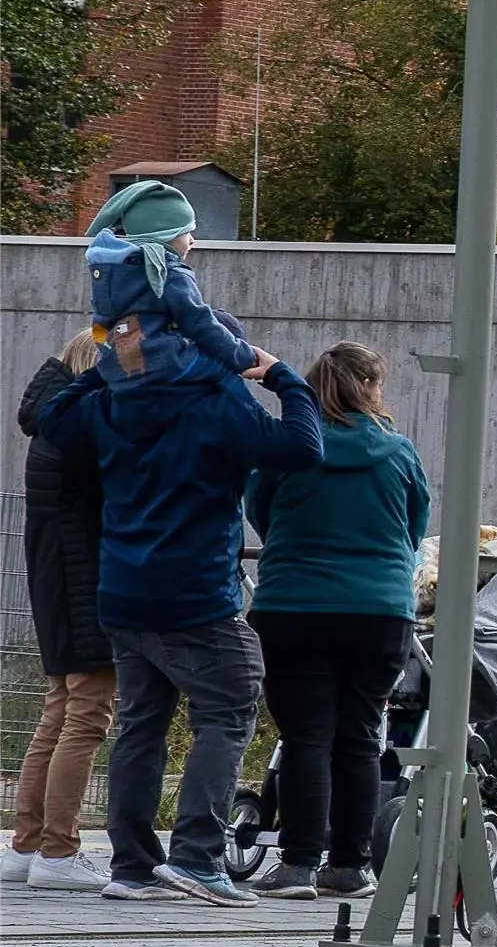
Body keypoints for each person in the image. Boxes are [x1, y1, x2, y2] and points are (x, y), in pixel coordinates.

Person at [39, 319, 322, 905]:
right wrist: (283, 377)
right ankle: (196, 855)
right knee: (230, 706)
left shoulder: (118, 402)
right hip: (195, 594)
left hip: (122, 593)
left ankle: (134, 866)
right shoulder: (220, 403)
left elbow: (51, 418)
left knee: (140, 724)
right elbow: (302, 448)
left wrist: (106, 367)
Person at [239, 343, 429, 900]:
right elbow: (414, 528)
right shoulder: (399, 453)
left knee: (305, 735)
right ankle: (350, 864)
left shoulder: (289, 447)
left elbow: (260, 512)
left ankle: (298, 864)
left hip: (294, 605)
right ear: (370, 387)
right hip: (378, 612)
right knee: (360, 736)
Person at [11, 334, 118, 892]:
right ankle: (59, 849)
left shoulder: (48, 425)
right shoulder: (84, 427)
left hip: (54, 581)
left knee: (60, 710)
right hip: (87, 583)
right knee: (88, 714)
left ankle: (28, 843)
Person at [84, 179, 260, 389]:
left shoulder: (110, 273)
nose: (192, 240)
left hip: (119, 370)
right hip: (164, 365)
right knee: (225, 375)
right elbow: (199, 322)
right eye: (186, 232)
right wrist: (243, 356)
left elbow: (100, 327)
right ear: (165, 234)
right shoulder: (169, 272)